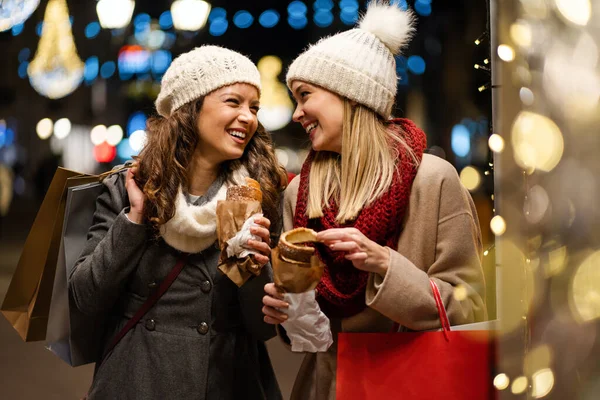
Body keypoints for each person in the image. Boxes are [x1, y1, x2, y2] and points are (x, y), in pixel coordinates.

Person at [262, 2, 488, 399]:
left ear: (350, 95)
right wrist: (286, 312)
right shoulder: (300, 193)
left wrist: (386, 265)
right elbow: (306, 337)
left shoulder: (432, 179)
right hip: (327, 387)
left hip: (412, 382)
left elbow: (469, 309)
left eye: (305, 95)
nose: (297, 113)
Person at [69, 45, 286, 400]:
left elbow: (261, 328)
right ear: (189, 108)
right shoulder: (131, 186)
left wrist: (255, 265)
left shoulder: (256, 196)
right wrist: (135, 220)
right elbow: (85, 298)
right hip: (138, 380)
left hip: (226, 381)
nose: (248, 117)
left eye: (254, 107)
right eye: (233, 102)